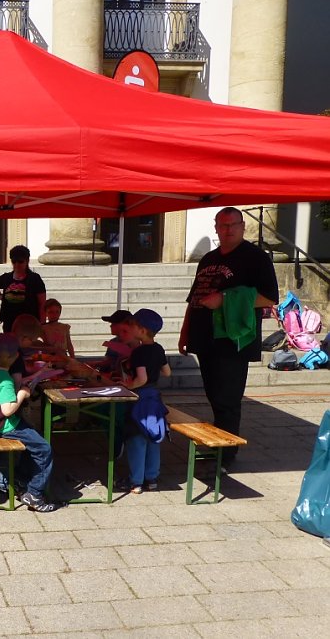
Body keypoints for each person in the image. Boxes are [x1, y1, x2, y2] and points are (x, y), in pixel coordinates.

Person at [179, 207, 279, 465]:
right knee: (214, 395)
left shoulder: (256, 258)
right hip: (204, 338)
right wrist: (185, 332)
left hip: (233, 340)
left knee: (228, 399)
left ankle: (226, 453)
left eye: (233, 224)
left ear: (243, 226)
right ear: (215, 228)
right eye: (223, 225)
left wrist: (224, 299)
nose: (228, 229)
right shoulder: (208, 259)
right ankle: (219, 443)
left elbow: (269, 297)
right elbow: (194, 300)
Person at [0, 333, 58, 512]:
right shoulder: (6, 380)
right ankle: (34, 493)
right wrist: (22, 393)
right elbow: (7, 410)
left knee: (32, 436)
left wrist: (33, 377)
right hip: (6, 425)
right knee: (44, 449)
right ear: (16, 357)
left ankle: (19, 477)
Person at [118, 309, 171, 494]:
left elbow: (141, 378)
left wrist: (127, 386)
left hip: (140, 399)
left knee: (137, 439)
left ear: (141, 330)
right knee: (153, 437)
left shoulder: (139, 352)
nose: (130, 328)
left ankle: (136, 482)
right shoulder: (159, 349)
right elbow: (167, 372)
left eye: (132, 325)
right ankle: (152, 478)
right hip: (155, 398)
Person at [0, 244, 46, 333]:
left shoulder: (35, 279)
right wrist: (1, 297)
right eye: (14, 261)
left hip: (29, 322)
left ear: (27, 261)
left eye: (20, 261)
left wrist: (42, 324)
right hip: (9, 322)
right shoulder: (6, 277)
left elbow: (42, 303)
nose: (17, 264)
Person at [99, 309, 136, 378]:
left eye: (114, 323)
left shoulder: (137, 346)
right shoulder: (113, 342)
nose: (110, 326)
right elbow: (108, 361)